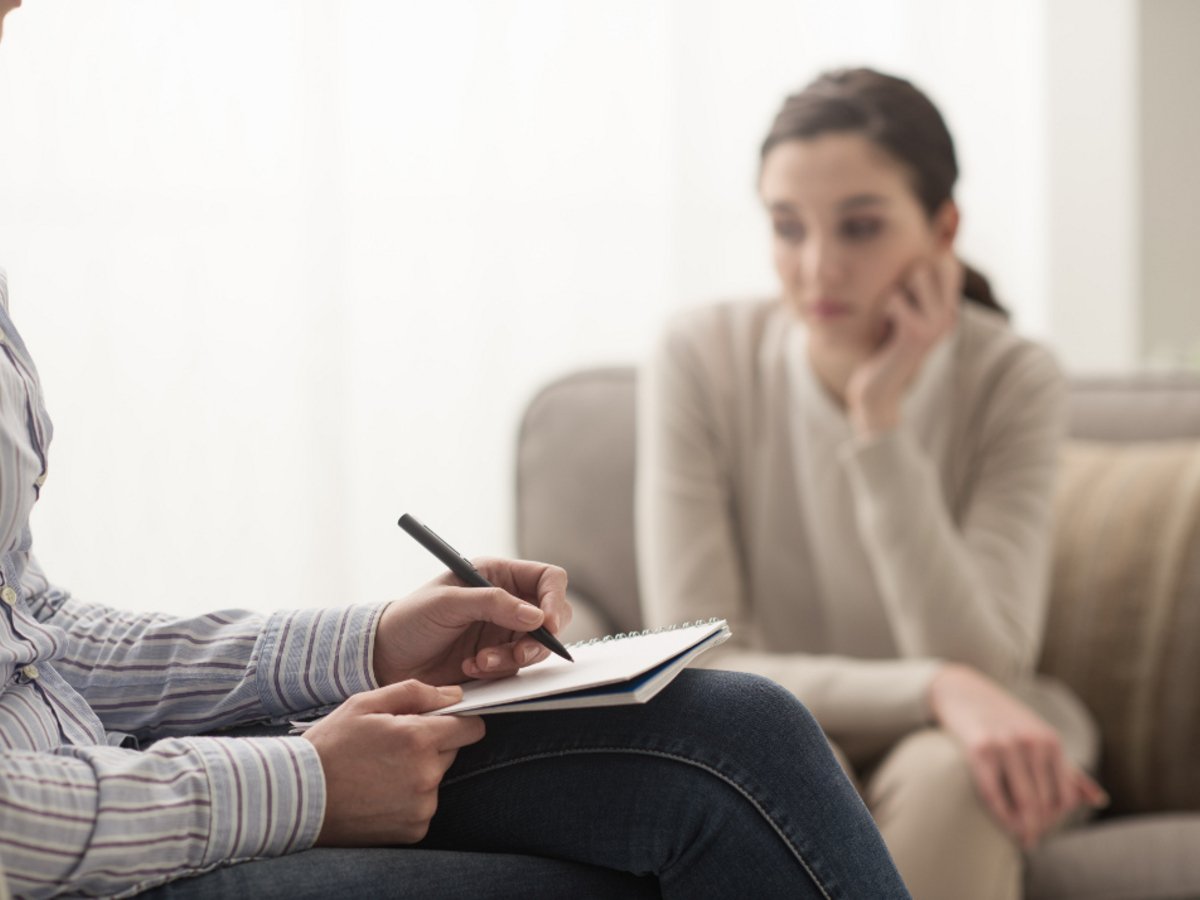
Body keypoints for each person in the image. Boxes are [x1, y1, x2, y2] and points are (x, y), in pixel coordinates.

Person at [0, 8, 912, 899]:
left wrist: (370, 645)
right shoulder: (708, 358)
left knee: (737, 734)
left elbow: (32, 627)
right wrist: (301, 784)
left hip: (97, 766)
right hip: (73, 842)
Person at [637, 67, 1109, 900]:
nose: (818, 268)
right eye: (788, 227)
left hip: (972, 735)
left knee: (960, 781)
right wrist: (934, 687)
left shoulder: (1013, 378)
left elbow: (984, 664)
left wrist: (879, 424)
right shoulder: (700, 356)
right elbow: (702, 662)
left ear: (943, 227)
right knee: (766, 773)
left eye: (859, 227)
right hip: (778, 726)